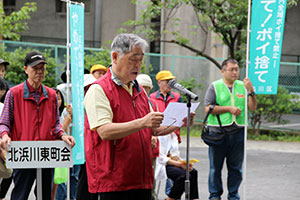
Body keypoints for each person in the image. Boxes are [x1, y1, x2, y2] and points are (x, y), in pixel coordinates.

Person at [84, 33, 194, 200]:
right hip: (113, 181)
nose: (138, 65)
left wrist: (179, 123)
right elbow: (104, 131)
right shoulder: (98, 89)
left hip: (141, 177)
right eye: (133, 59)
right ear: (115, 57)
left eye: (141, 60)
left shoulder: (139, 90)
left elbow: (155, 128)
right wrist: (142, 122)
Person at [0, 51, 75, 200]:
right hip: (23, 153)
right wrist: (5, 135)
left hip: (46, 154)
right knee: (20, 195)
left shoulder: (52, 94)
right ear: (25, 69)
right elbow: (4, 122)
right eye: (35, 68)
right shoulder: (14, 93)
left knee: (45, 195)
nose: (40, 72)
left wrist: (63, 135)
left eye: (43, 68)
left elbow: (55, 125)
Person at [204, 58, 257, 200]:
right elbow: (208, 108)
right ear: (223, 71)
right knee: (215, 168)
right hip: (218, 133)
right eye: (231, 69)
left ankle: (233, 195)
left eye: (237, 69)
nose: (235, 72)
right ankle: (214, 195)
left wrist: (251, 91)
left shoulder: (243, 86)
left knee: (236, 168)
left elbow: (252, 107)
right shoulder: (215, 86)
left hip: (238, 132)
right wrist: (228, 109)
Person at [155, 132, 199, 200]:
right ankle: (171, 198)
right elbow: (160, 158)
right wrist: (179, 164)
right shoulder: (162, 136)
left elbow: (176, 155)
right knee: (184, 175)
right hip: (162, 164)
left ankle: (192, 198)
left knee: (193, 172)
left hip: (172, 163)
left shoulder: (174, 136)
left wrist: (184, 163)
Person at [149, 70, 183, 143]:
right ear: (159, 82)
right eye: (167, 82)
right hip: (158, 137)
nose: (170, 84)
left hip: (173, 136)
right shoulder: (152, 98)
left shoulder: (177, 97)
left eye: (171, 82)